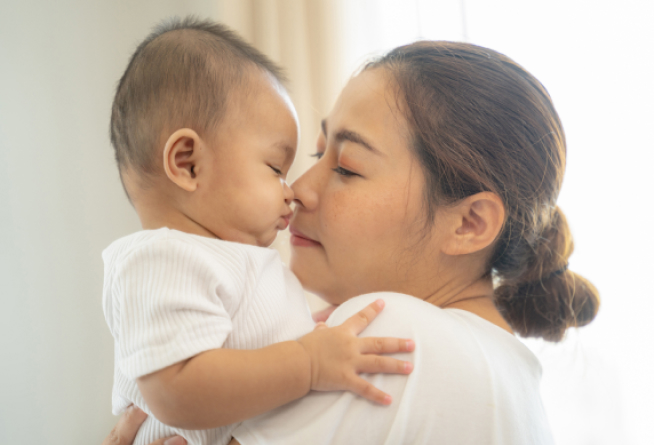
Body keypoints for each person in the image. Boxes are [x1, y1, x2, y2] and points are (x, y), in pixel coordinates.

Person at [105, 40, 600, 445]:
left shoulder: (391, 337)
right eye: (318, 153)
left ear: (469, 223)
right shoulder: (511, 372)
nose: (299, 188)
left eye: (346, 167)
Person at [102, 17, 415, 445]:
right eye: (274, 168)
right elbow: (177, 392)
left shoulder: (228, 260)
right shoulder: (160, 259)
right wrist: (306, 361)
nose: (292, 191)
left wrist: (309, 331)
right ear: (188, 163)